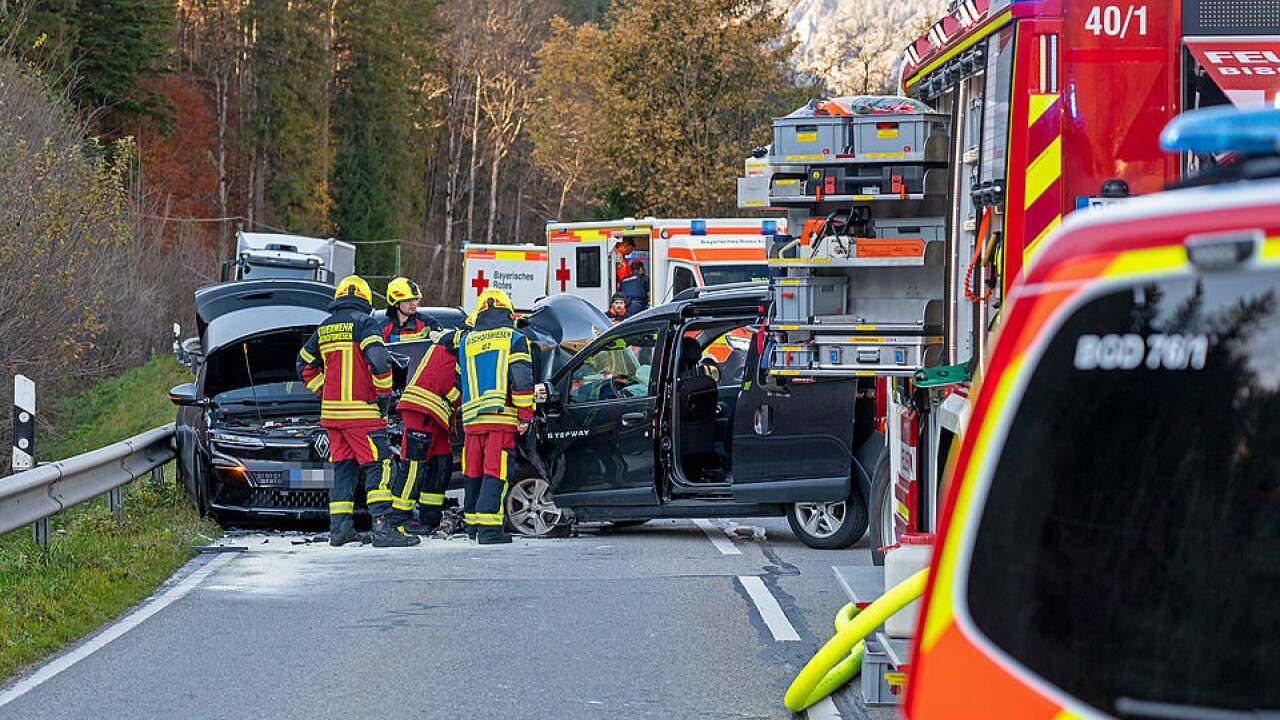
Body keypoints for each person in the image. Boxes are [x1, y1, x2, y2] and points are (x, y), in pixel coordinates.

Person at [297, 275, 419, 548]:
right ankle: (383, 530)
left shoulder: (325, 328)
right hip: (362, 415)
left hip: (332, 416)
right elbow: (379, 360)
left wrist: (324, 391)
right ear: (365, 299)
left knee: (343, 470)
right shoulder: (366, 324)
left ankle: (340, 531)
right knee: (380, 466)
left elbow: (303, 366)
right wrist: (383, 396)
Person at [456, 288, 535, 544]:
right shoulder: (514, 338)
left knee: (473, 473)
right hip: (499, 418)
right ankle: (490, 530)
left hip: (471, 420)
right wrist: (525, 413)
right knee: (496, 472)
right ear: (508, 313)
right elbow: (521, 378)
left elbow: (460, 377)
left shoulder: (467, 340)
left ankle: (473, 527)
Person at [394, 330, 461, 535]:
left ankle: (430, 516)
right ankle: (399, 519)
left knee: (441, 463)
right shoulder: (459, 339)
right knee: (414, 465)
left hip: (437, 412)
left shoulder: (457, 344)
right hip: (422, 408)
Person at [380, 276, 432, 342]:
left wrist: (435, 334)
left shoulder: (427, 323)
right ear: (396, 303)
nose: (413, 303)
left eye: (415, 299)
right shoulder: (384, 328)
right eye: (408, 300)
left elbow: (443, 338)